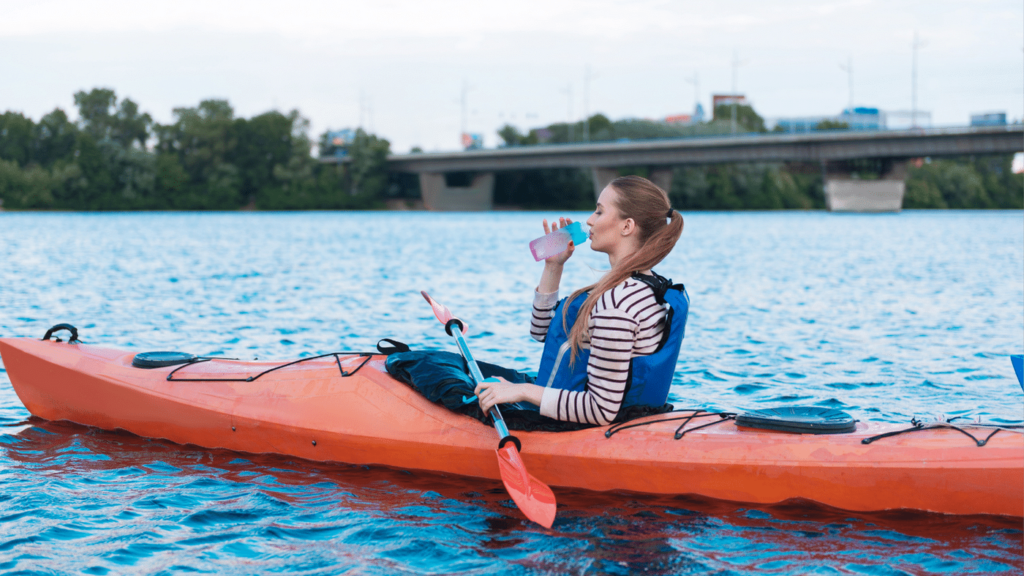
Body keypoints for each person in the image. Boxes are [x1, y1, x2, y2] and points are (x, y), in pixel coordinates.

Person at [474, 175, 689, 425]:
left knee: (442, 376)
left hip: (579, 427)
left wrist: (522, 391)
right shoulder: (645, 287)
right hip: (627, 416)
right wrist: (553, 267)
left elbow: (601, 410)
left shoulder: (617, 304)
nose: (589, 220)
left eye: (599, 212)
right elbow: (541, 331)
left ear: (627, 226)